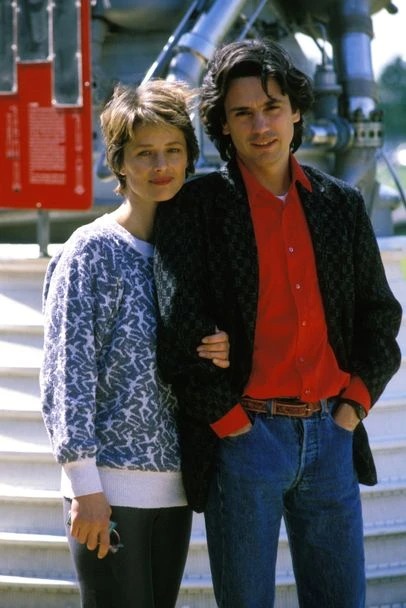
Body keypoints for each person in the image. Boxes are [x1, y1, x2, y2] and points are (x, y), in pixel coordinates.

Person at [153, 39, 403, 608]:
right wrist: (230, 425)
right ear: (223, 123)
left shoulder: (341, 204)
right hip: (245, 440)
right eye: (242, 113)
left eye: (272, 107)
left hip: (332, 435)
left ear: (295, 111)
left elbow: (380, 316)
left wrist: (353, 406)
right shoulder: (195, 208)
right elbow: (178, 329)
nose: (260, 125)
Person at [40, 79, 230, 608]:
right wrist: (85, 486)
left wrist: (224, 348)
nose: (160, 165)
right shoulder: (90, 251)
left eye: (173, 150)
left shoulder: (190, 252)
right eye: (145, 153)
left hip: (175, 489)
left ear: (190, 156)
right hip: (107, 489)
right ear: (119, 162)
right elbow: (67, 374)